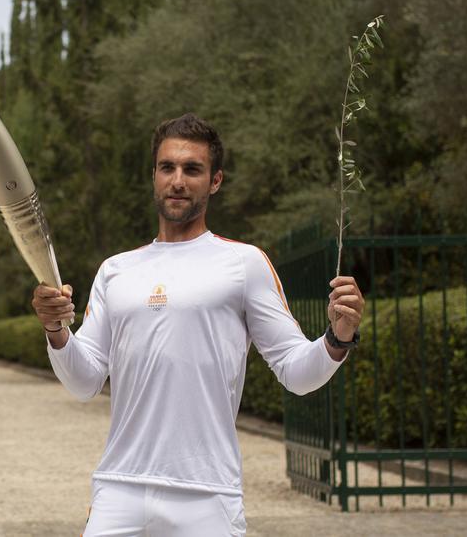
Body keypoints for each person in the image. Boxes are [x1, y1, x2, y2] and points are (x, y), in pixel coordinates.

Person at [32, 114, 364, 536]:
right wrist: (56, 330)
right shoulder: (115, 271)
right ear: (153, 175)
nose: (177, 180)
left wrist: (338, 336)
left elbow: (297, 372)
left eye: (192, 169)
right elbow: (84, 382)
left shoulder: (243, 264)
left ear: (215, 181)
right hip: (120, 490)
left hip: (207, 496)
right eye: (167, 167)